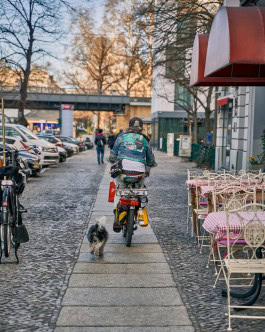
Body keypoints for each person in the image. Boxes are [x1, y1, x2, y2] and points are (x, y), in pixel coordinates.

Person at [108, 117, 157, 232]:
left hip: (123, 171)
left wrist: (112, 160)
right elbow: (150, 160)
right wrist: (148, 167)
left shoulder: (121, 137)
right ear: (141, 129)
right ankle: (137, 208)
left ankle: (116, 214)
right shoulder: (145, 140)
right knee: (139, 189)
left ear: (129, 127)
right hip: (139, 172)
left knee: (118, 189)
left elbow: (113, 155)